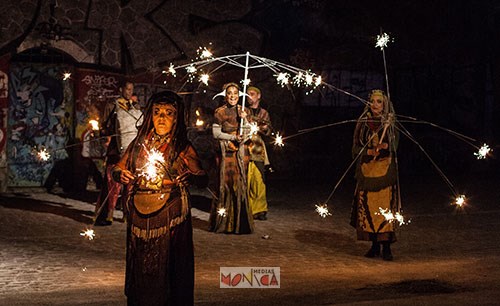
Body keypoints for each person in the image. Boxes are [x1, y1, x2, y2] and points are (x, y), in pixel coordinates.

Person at [112, 90, 207, 305]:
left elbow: (202, 176)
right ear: (150, 115)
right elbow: (117, 168)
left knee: (171, 269)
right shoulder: (139, 144)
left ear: (176, 118)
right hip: (139, 216)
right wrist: (121, 174)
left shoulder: (181, 147)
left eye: (168, 113)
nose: (162, 117)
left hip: (170, 215)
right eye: (157, 112)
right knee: (141, 268)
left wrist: (191, 177)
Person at [350, 89, 399, 261]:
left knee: (384, 209)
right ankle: (374, 245)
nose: (375, 104)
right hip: (367, 170)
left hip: (384, 171)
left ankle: (386, 247)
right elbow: (355, 147)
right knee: (369, 210)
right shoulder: (363, 122)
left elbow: (395, 145)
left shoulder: (389, 122)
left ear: (384, 104)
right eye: (373, 101)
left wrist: (386, 146)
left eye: (379, 102)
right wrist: (369, 150)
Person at [94, 81, 142, 226]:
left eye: (131, 89)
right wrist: (106, 133)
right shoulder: (112, 105)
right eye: (127, 89)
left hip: (131, 151)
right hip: (116, 150)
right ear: (121, 89)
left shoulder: (136, 107)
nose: (129, 92)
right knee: (112, 182)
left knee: (130, 183)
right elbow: (105, 127)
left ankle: (127, 213)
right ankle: (108, 213)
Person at [209, 82, 254, 234]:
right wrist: (232, 137)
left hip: (240, 153)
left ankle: (239, 223)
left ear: (239, 95)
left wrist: (245, 120)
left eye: (235, 93)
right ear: (225, 96)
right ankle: (224, 222)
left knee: (240, 184)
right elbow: (216, 134)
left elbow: (250, 132)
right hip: (226, 152)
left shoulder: (244, 111)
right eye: (230, 93)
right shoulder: (219, 112)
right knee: (226, 183)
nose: (233, 96)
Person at [246, 86, 272, 220]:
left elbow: (267, 130)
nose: (250, 96)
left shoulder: (264, 113)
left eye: (252, 94)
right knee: (247, 180)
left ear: (258, 96)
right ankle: (248, 208)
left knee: (259, 181)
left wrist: (260, 128)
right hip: (245, 149)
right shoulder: (244, 111)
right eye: (248, 94)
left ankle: (260, 209)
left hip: (258, 151)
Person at [75, 121, 103, 193]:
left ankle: (99, 185)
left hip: (92, 155)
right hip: (87, 155)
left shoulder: (92, 133)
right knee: (85, 172)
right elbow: (86, 143)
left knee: (94, 172)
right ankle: (81, 187)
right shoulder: (87, 133)